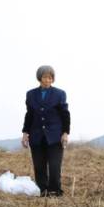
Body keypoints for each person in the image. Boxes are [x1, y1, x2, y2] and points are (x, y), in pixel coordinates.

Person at [21, 66, 71, 197]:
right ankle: (43, 191)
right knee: (39, 167)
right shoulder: (31, 94)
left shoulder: (60, 94)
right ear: (39, 78)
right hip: (36, 136)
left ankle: (54, 192)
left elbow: (65, 114)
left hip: (55, 136)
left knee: (54, 167)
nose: (48, 80)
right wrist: (25, 133)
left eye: (50, 77)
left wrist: (65, 132)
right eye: (45, 77)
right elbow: (29, 115)